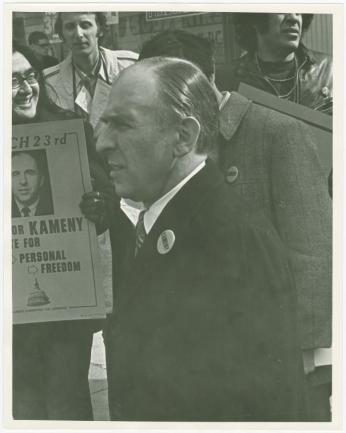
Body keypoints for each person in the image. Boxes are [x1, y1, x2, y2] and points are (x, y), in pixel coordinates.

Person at [93, 57, 307, 421]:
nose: (101, 143)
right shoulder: (176, 222)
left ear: (183, 137)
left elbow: (264, 406)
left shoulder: (231, 239)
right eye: (103, 123)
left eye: (122, 124)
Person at [138, 30, 332, 421]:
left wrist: (307, 358)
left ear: (206, 79)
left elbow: (312, 251)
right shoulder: (177, 141)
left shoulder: (277, 133)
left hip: (281, 358)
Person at [12, 42, 112, 420]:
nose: (26, 89)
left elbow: (108, 197)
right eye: (13, 80)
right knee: (21, 406)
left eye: (31, 77)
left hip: (64, 310)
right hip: (11, 314)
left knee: (67, 402)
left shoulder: (68, 128)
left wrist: (98, 203)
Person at [217, 13, 332, 114]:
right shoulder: (225, 80)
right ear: (256, 18)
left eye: (299, 9)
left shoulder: (331, 70)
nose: (294, 18)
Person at [43, 12, 138, 129]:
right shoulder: (48, 82)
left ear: (100, 30)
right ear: (62, 35)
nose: (78, 34)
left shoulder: (131, 66)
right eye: (70, 27)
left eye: (85, 25)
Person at [12, 150, 53, 217]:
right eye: (15, 174)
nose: (23, 181)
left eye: (30, 173)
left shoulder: (52, 207)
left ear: (41, 180)